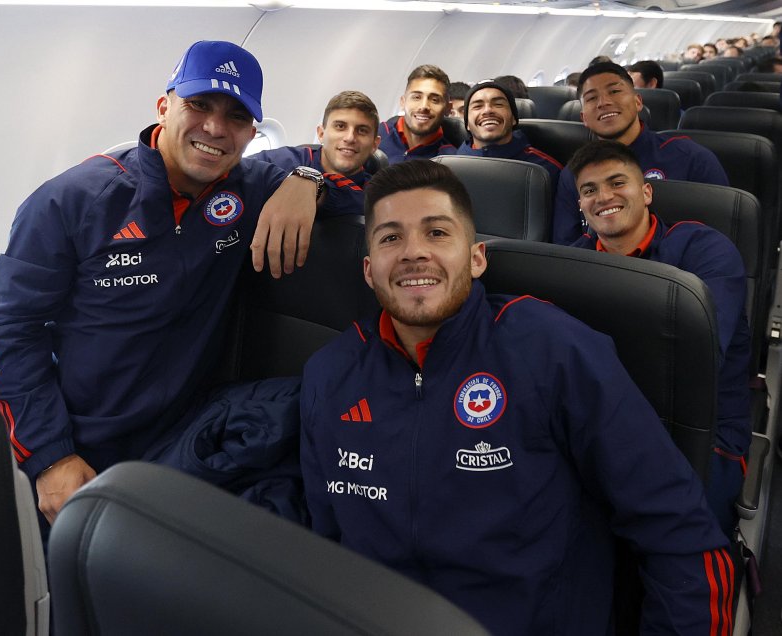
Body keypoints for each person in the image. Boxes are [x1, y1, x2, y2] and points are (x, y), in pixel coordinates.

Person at [299, 159, 734, 635]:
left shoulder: (551, 349)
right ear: (368, 270)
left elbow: (677, 529)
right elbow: (327, 546)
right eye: (390, 238)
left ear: (477, 258)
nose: (413, 253)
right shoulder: (330, 376)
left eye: (438, 233)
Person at [0, 40, 326, 527]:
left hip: (183, 436)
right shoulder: (74, 201)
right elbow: (10, 329)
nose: (214, 128)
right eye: (199, 105)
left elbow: (368, 180)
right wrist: (49, 457)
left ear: (252, 132)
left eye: (235, 116)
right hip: (81, 445)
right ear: (163, 108)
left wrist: (308, 179)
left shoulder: (249, 188)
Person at [568, 140, 751, 538]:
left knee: (677, 536)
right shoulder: (571, 264)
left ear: (647, 192)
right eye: (589, 190)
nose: (604, 197)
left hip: (698, 428)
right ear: (580, 206)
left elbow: (700, 361)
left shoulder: (704, 250)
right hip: (600, 424)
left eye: (618, 183)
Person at [551, 62, 728, 244]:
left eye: (614, 91)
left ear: (637, 102)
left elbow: (721, 238)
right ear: (584, 118)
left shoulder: (691, 158)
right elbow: (567, 248)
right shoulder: (572, 174)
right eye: (591, 98)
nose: (603, 103)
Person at [250, 90, 381, 217]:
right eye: (340, 126)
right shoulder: (283, 161)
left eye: (362, 131)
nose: (350, 138)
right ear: (321, 134)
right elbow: (241, 171)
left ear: (374, 144)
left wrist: (317, 191)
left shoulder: (378, 196)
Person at [455, 80, 562, 186]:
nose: (487, 111)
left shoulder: (544, 169)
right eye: (477, 106)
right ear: (467, 124)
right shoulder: (452, 165)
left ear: (513, 119)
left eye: (498, 104)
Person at [378, 65, 457, 164]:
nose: (424, 106)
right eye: (416, 97)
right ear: (403, 102)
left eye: (434, 100)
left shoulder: (450, 160)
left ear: (448, 109)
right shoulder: (377, 136)